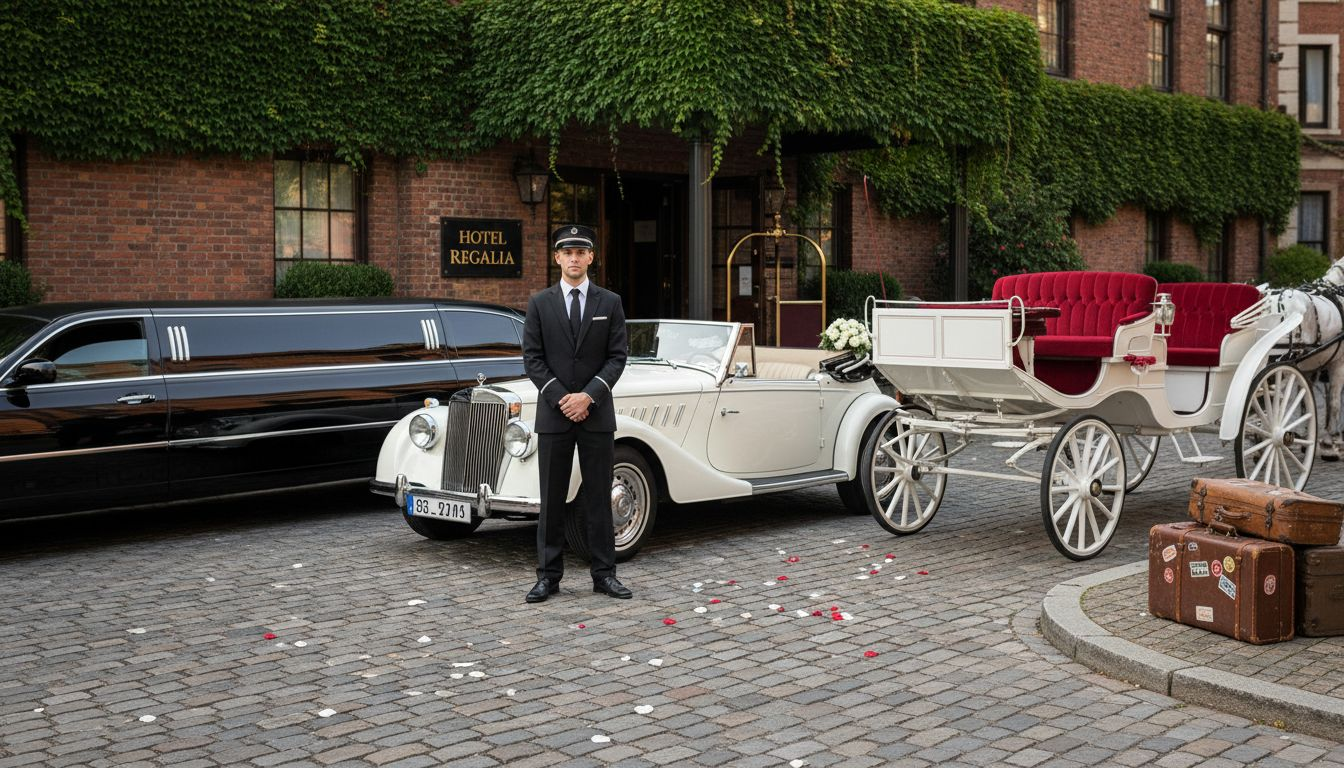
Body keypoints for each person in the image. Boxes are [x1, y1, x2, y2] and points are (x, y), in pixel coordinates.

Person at [522, 225, 631, 603]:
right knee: (551, 500)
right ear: (557, 258)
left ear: (590, 257)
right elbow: (533, 359)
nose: (573, 258)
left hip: (596, 414)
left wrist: (588, 397)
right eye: (567, 252)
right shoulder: (539, 303)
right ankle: (547, 577)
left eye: (580, 252)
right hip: (554, 416)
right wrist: (562, 399)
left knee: (599, 497)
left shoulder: (610, 302)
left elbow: (617, 357)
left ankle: (604, 575)